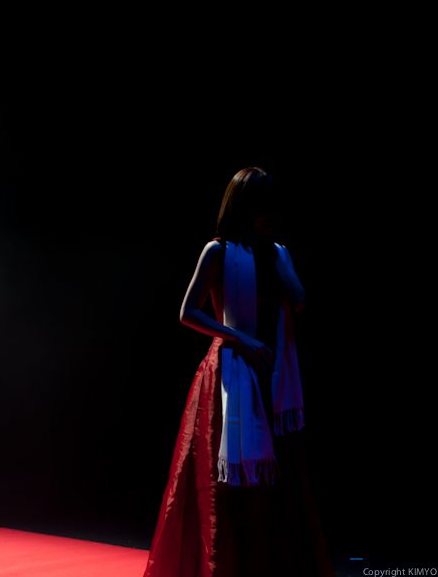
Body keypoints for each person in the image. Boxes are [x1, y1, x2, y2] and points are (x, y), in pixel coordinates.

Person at [143, 168, 335, 577]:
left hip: (271, 377)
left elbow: (299, 299)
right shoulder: (218, 251)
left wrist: (278, 258)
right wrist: (240, 338)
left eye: (276, 207)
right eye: (264, 207)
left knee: (273, 486)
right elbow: (188, 312)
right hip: (230, 374)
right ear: (243, 207)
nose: (273, 215)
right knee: (225, 487)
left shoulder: (278, 253)